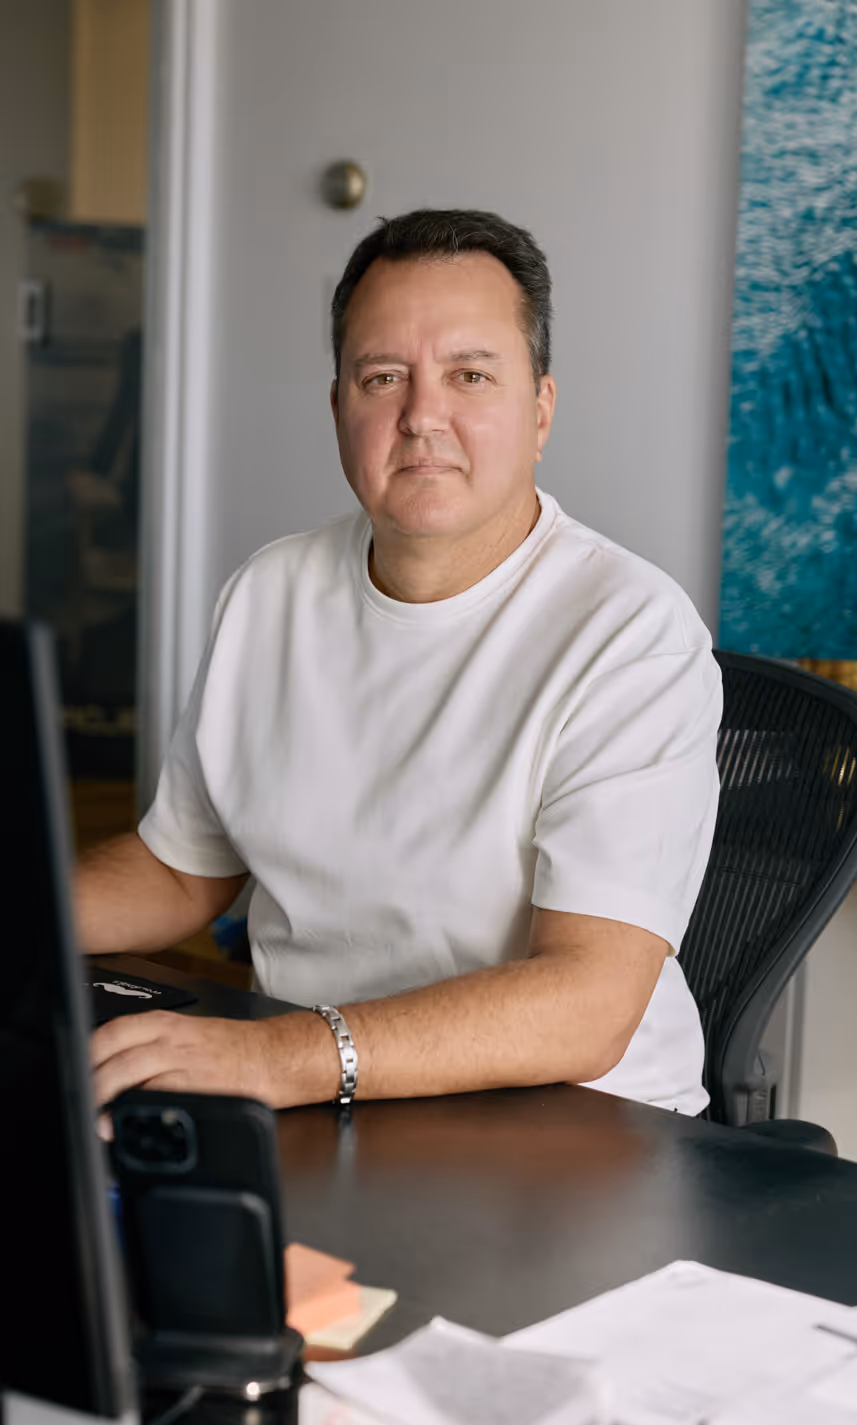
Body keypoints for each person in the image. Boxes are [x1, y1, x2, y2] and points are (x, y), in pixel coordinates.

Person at [81, 209, 722, 1116]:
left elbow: (588, 1003)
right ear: (339, 404)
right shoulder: (269, 594)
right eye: (383, 377)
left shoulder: (632, 633)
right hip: (329, 1097)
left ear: (540, 410)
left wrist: (283, 1058)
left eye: (471, 375)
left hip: (577, 1133)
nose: (423, 416)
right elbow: (184, 871)